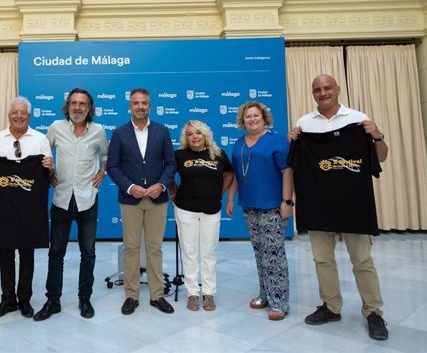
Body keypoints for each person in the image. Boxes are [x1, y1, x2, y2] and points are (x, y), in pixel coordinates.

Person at [289, 74, 389, 341]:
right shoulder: (304, 124)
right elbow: (294, 163)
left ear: (338, 89)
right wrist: (294, 140)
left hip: (354, 202)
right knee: (323, 259)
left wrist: (376, 135)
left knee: (362, 260)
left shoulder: (358, 120)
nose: (323, 93)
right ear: (313, 93)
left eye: (327, 88)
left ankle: (373, 312)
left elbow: (380, 158)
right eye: (317, 90)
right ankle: (331, 306)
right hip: (318, 202)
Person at [33, 89, 108, 321]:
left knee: (89, 253)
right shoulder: (55, 127)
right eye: (73, 103)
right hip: (61, 199)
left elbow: (105, 154)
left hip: (87, 199)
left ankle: (84, 299)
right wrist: (49, 170)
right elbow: (43, 153)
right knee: (56, 252)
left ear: (89, 108)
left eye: (82, 103)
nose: (77, 107)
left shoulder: (98, 131)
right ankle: (52, 301)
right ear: (68, 106)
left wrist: (103, 171)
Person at [107, 88, 176, 315]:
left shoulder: (162, 131)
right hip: (130, 198)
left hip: (157, 197)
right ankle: (131, 295)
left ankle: (157, 295)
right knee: (132, 248)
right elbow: (113, 166)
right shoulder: (119, 133)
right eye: (135, 103)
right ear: (130, 106)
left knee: (155, 248)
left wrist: (161, 185)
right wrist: (130, 187)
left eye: (144, 103)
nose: (140, 106)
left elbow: (170, 164)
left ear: (150, 106)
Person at [0, 96, 53, 319]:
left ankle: (24, 299)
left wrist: (49, 167)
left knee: (27, 254)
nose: (19, 116)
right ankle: (7, 300)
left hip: (29, 209)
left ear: (29, 116)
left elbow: (48, 176)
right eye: (15, 112)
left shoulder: (41, 139)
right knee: (5, 254)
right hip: (3, 209)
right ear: (9, 115)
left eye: (23, 113)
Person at [226, 101, 293, 321]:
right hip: (249, 205)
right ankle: (265, 295)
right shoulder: (238, 144)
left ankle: (279, 302)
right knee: (259, 253)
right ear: (242, 121)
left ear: (264, 118)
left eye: (256, 116)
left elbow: (287, 171)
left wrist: (287, 201)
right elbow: (236, 175)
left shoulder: (277, 141)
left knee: (273, 255)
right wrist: (231, 198)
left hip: (273, 206)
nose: (252, 119)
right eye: (248, 117)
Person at [169, 120, 233, 312]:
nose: (194, 137)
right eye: (190, 134)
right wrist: (173, 195)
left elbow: (229, 175)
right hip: (185, 209)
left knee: (208, 252)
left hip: (211, 209)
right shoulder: (179, 155)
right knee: (189, 252)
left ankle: (208, 293)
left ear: (205, 135)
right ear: (185, 138)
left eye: (198, 133)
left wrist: (218, 193)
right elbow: (169, 176)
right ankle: (192, 294)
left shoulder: (219, 154)